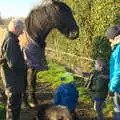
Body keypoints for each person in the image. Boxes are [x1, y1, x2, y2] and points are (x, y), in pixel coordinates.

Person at [0, 18, 25, 120]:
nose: (22, 32)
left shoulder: (10, 39)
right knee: (12, 108)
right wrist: (25, 65)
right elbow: (13, 63)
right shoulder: (11, 41)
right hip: (13, 81)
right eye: (21, 30)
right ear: (15, 28)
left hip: (12, 79)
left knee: (13, 107)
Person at [106, 25, 120, 120]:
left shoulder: (118, 50)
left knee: (117, 111)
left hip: (118, 88)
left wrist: (111, 88)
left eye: (110, 39)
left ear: (116, 37)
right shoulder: (117, 48)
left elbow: (118, 71)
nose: (109, 41)